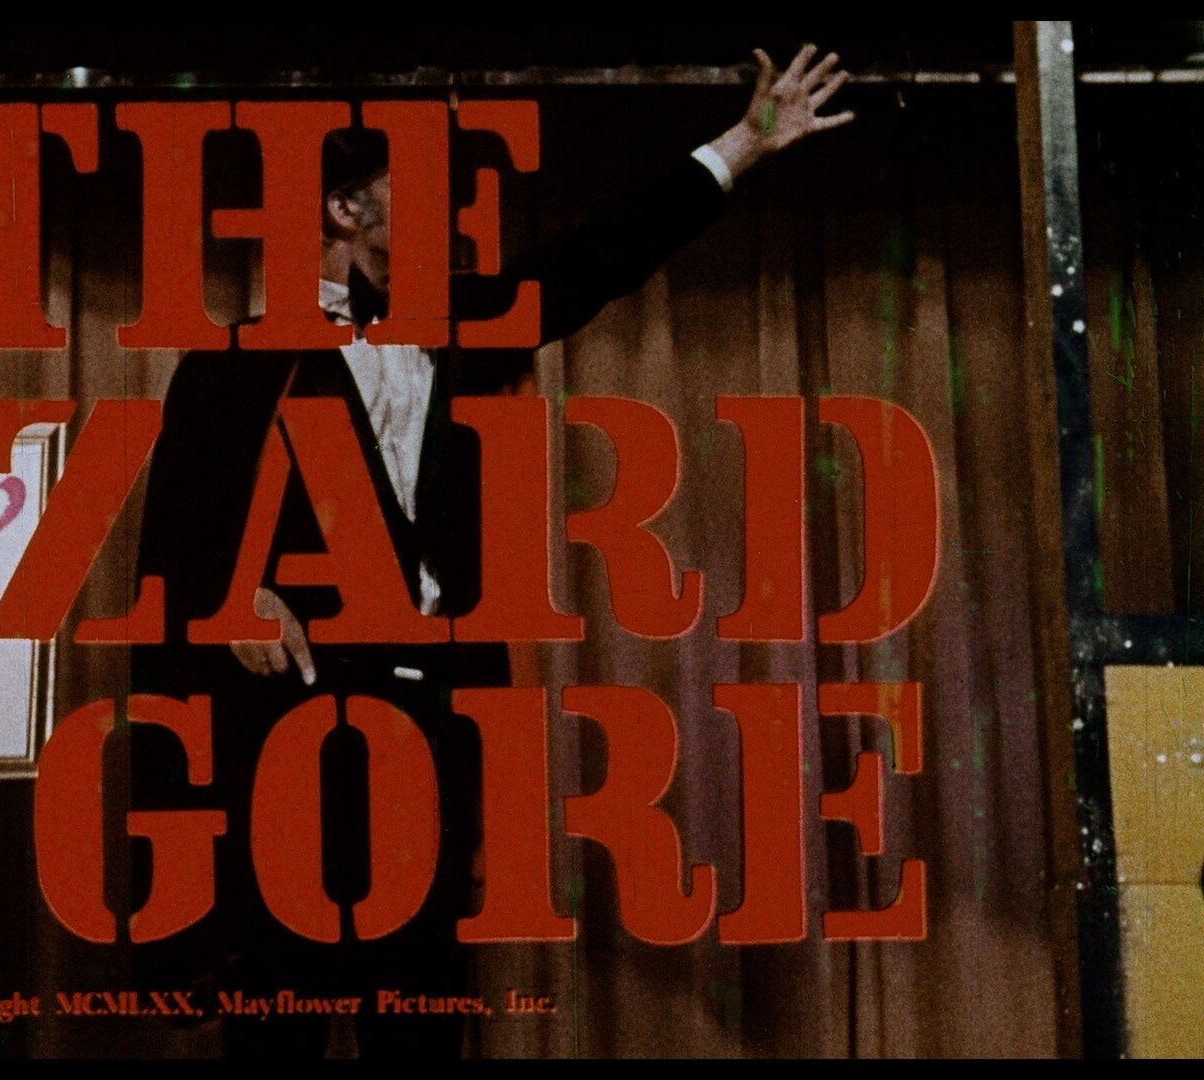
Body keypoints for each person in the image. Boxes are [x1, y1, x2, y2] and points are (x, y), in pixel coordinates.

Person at [128, 45, 854, 1059]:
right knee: (278, 1029)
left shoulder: (468, 324)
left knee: (422, 1022)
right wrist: (232, 594)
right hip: (287, 737)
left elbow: (601, 256)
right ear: (345, 209)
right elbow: (171, 560)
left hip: (434, 726)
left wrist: (741, 144)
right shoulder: (230, 366)